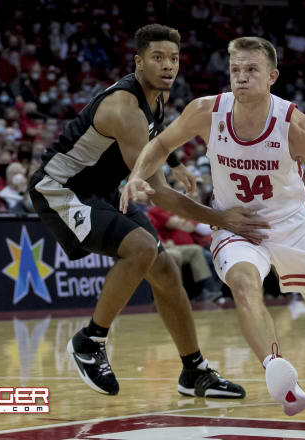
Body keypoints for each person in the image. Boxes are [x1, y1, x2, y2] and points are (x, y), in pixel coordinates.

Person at [122, 36, 305, 415]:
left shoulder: (299, 127)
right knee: (243, 281)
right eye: (235, 70)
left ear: (272, 76)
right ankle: (277, 371)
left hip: (290, 226)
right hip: (235, 223)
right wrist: (137, 175)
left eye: (251, 70)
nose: (241, 78)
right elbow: (159, 145)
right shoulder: (206, 111)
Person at [29, 24, 264, 399]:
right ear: (139, 62)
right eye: (158, 58)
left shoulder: (153, 96)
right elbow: (161, 197)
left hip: (102, 190)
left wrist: (173, 162)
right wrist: (221, 219)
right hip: (61, 190)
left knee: (167, 271)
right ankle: (90, 340)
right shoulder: (123, 107)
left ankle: (195, 371)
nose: (168, 65)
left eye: (173, 58)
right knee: (140, 248)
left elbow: (152, 137)